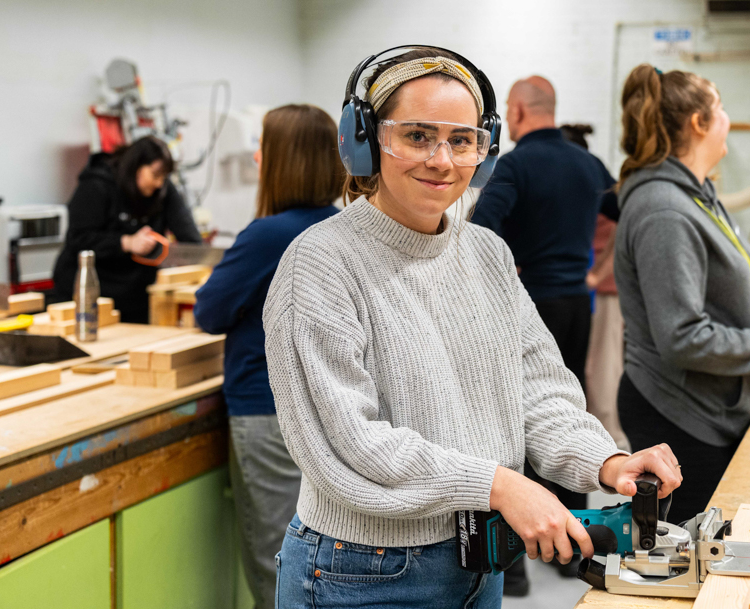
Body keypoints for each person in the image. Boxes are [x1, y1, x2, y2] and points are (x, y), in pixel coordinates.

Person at [263, 46, 682, 609]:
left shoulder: (487, 254)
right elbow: (347, 443)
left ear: (483, 152)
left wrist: (606, 462)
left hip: (480, 562)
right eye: (416, 135)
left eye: (461, 140)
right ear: (364, 140)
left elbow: (540, 392)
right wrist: (499, 485)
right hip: (361, 571)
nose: (441, 159)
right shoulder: (318, 263)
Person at [613, 65, 750, 525]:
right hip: (681, 417)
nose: (727, 118)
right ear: (698, 123)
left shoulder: (698, 195)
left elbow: (711, 295)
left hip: (710, 406)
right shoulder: (665, 210)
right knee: (688, 565)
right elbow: (682, 335)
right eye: (721, 108)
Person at [471, 78, 619, 588]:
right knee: (566, 409)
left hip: (530, 308)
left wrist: (504, 270)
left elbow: (479, 229)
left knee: (517, 416)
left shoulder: (513, 166)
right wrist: (598, 268)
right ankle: (571, 542)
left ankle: (516, 559)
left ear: (514, 112)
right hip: (581, 302)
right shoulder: (589, 163)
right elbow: (624, 215)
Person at [194, 104, 343, 609]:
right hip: (334, 414)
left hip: (268, 411)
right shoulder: (345, 227)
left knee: (276, 560)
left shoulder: (269, 235)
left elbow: (209, 311)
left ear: (279, 161)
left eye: (264, 148)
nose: (256, 157)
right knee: (324, 559)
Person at [51, 136, 201, 322]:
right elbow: (79, 239)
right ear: (136, 166)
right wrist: (126, 242)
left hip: (135, 296)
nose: (159, 183)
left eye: (164, 177)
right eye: (155, 176)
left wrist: (200, 260)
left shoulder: (162, 190)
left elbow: (190, 238)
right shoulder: (97, 185)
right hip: (89, 295)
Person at [559, 124, 630, 453]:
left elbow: (623, 224)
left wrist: (597, 273)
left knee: (602, 375)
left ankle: (616, 448)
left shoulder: (595, 182)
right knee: (584, 374)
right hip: (584, 290)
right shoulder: (584, 179)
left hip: (604, 292)